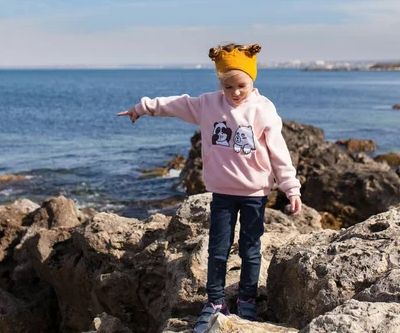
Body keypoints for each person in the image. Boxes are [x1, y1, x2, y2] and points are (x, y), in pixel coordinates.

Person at [117, 43, 301, 331]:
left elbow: (279, 152)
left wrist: (291, 187)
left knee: (251, 249)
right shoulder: (207, 105)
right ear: (220, 83)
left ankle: (248, 301)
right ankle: (215, 301)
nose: (236, 92)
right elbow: (174, 104)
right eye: (229, 87)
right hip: (222, 194)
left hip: (255, 194)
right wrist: (142, 108)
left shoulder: (264, 110)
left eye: (241, 85)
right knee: (217, 249)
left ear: (252, 80)